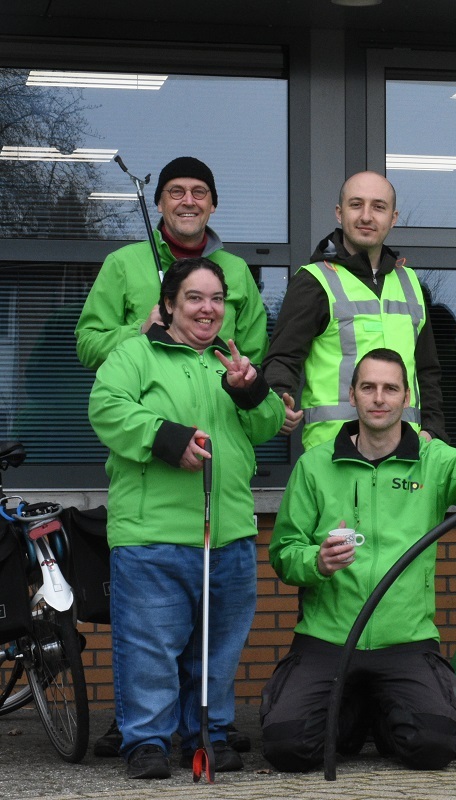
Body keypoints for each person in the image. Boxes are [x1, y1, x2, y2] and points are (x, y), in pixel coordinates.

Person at [261, 348, 456, 772]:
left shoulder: (433, 460)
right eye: (368, 387)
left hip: (404, 642)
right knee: (286, 747)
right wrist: (316, 562)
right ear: (352, 395)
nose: (379, 398)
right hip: (326, 641)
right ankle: (355, 711)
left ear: (407, 398)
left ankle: (378, 710)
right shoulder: (315, 466)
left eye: (390, 389)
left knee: (433, 746)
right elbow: (283, 553)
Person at [79, 155, 265, 759]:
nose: (207, 308)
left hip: (228, 526)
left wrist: (253, 389)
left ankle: (205, 735)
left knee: (216, 646)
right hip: (154, 526)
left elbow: (261, 423)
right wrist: (165, 439)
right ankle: (148, 741)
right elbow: (106, 406)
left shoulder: (226, 355)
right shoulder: (136, 353)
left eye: (216, 300)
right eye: (194, 299)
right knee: (151, 645)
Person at [263, 171, 443, 449]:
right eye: (356, 205)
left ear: (393, 218)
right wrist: (279, 397)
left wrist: (433, 429)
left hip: (407, 451)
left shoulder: (410, 282)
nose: (367, 216)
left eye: (378, 207)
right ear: (339, 212)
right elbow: (283, 358)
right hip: (335, 453)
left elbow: (427, 369)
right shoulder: (314, 281)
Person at [76, 156, 268, 370]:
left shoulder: (237, 270)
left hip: (220, 402)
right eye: (176, 191)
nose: (188, 201)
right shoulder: (122, 264)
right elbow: (88, 348)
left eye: (199, 192)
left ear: (212, 204)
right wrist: (140, 331)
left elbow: (255, 360)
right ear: (160, 204)